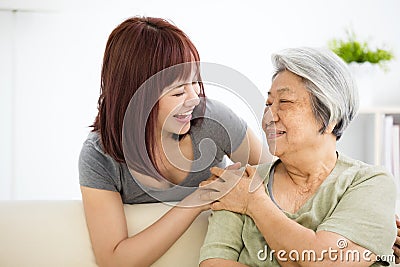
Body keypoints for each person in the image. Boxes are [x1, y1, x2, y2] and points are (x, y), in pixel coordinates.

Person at [78, 16, 267, 267]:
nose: (193, 98)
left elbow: (276, 176)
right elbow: (114, 260)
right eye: (178, 91)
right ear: (136, 98)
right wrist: (198, 200)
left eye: (194, 83)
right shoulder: (99, 156)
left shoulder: (213, 119)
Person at [199, 47, 397, 266]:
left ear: (330, 117)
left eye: (285, 102)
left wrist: (254, 203)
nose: (269, 116)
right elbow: (213, 263)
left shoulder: (370, 183)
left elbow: (326, 262)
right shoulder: (242, 182)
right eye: (268, 104)